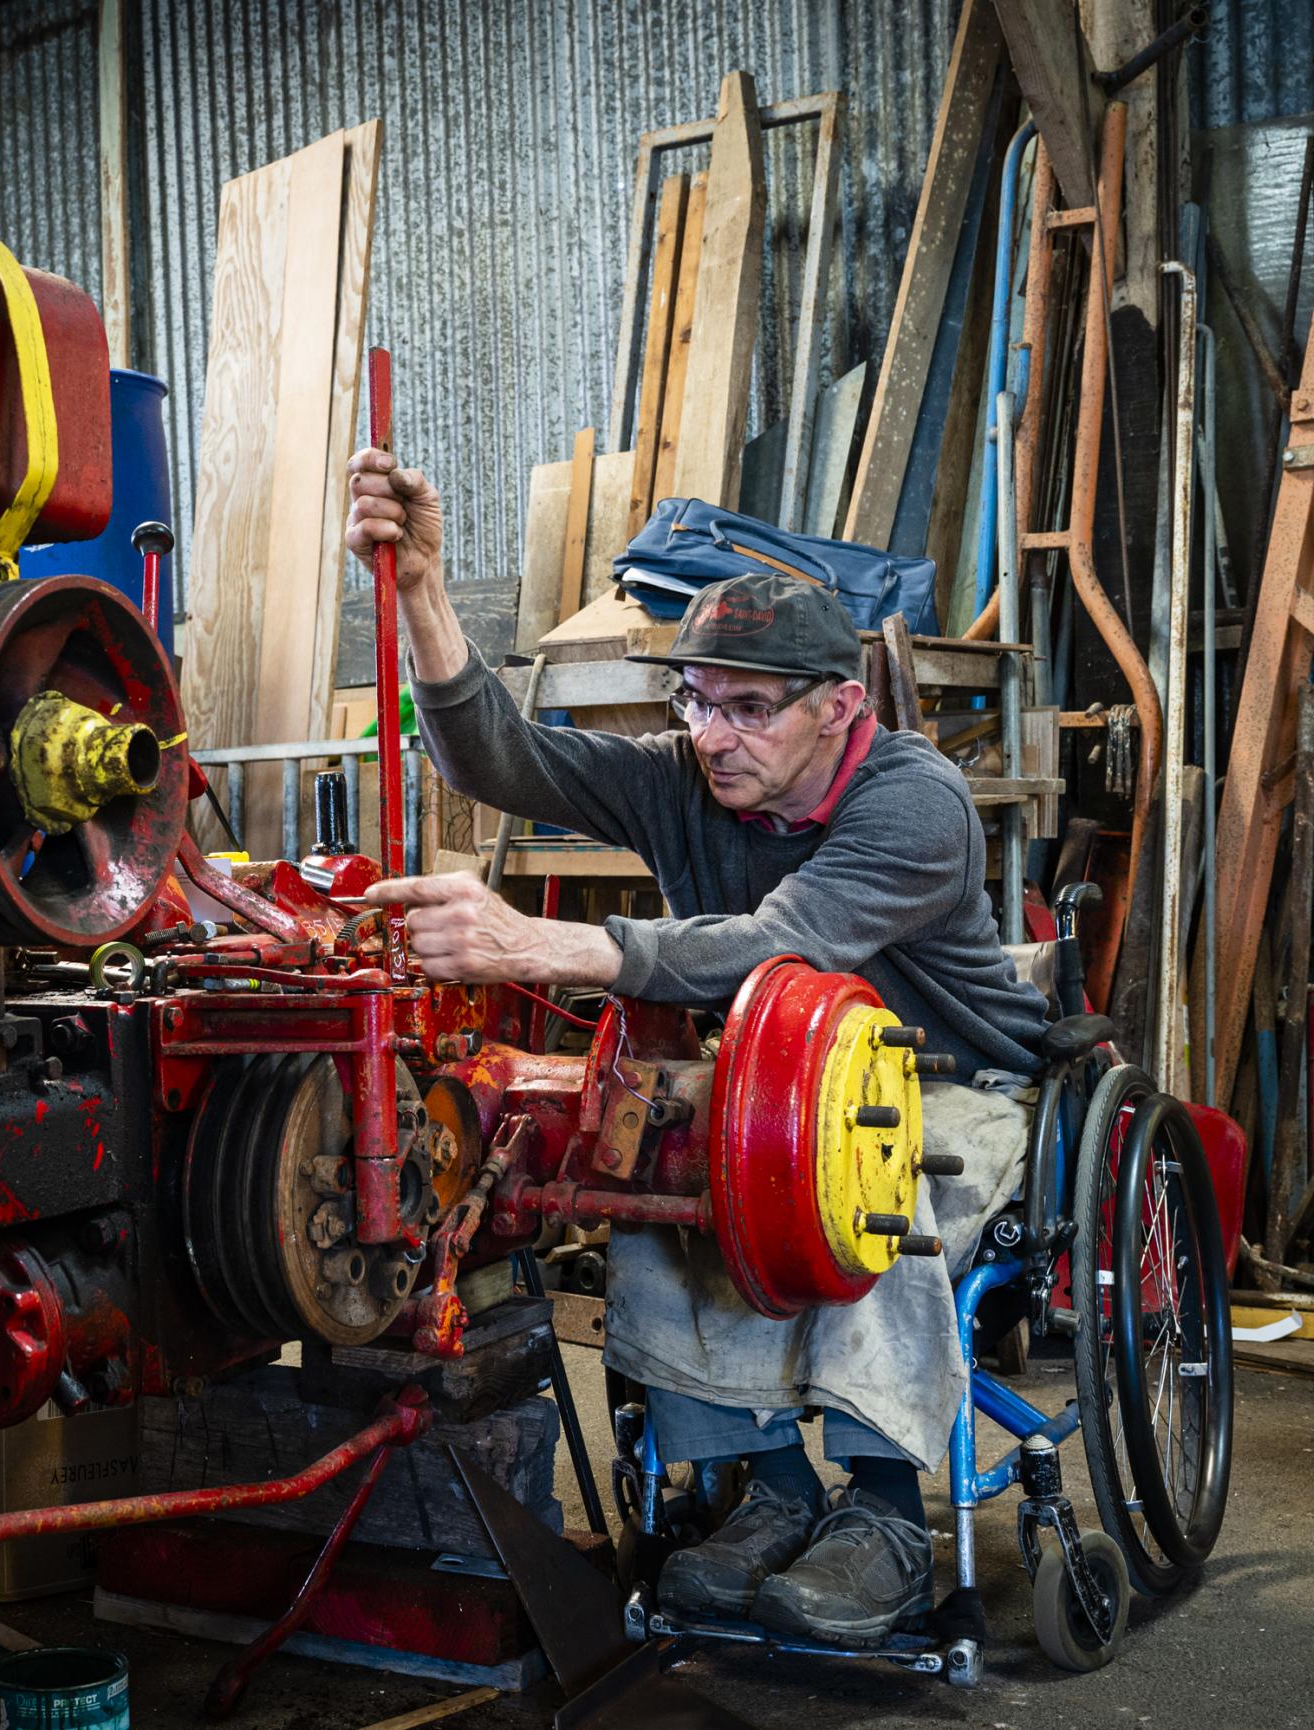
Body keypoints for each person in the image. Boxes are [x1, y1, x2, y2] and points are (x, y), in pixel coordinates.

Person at [344, 449, 1050, 1645]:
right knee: (648, 1177)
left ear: (838, 706)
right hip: (768, 1082)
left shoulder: (912, 800)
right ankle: (766, 1488)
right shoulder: (687, 776)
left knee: (863, 1187)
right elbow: (498, 759)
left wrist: (537, 944)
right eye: (694, 701)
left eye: (747, 707)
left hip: (951, 1082)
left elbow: (780, 942)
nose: (711, 736)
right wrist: (420, 590)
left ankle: (882, 1513)